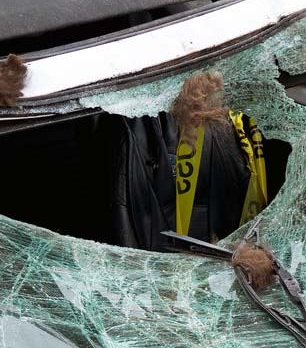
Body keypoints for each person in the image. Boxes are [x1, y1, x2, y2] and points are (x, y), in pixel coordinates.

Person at [110, 72, 269, 251]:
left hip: (227, 255)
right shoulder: (147, 121)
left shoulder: (237, 120)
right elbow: (129, 212)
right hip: (166, 261)